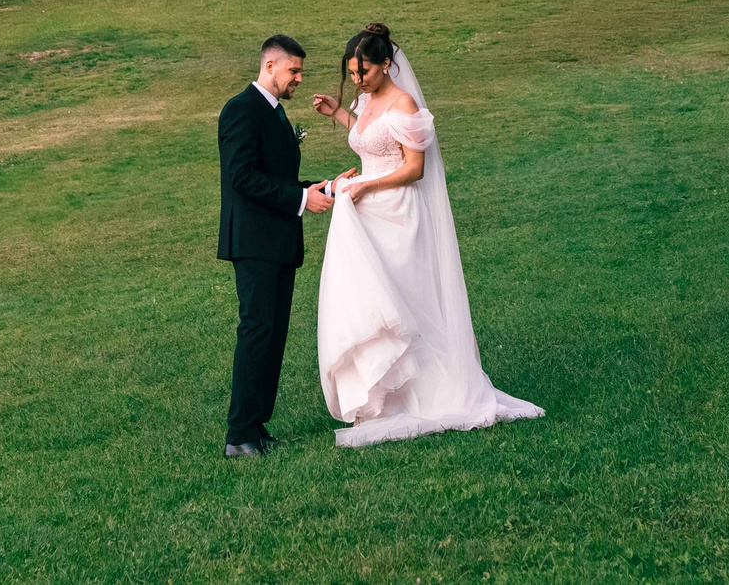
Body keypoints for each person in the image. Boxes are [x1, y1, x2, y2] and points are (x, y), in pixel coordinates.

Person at [308, 23, 543, 446]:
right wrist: (339, 115)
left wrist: (365, 185)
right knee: (376, 299)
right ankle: (390, 394)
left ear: (386, 64)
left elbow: (413, 168)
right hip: (367, 212)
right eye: (352, 72)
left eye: (364, 71)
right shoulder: (366, 100)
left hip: (398, 211)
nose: (357, 79)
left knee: (408, 299)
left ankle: (431, 390)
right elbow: (370, 139)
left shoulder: (405, 102)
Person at [216, 35, 331, 458]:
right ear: (270, 67)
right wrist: (301, 200)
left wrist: (312, 188)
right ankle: (238, 435)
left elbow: (272, 176)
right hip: (253, 242)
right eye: (294, 71)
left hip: (278, 241)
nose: (299, 79)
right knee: (256, 332)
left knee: (273, 335)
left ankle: (257, 425)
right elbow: (242, 177)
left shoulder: (275, 112)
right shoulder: (240, 110)